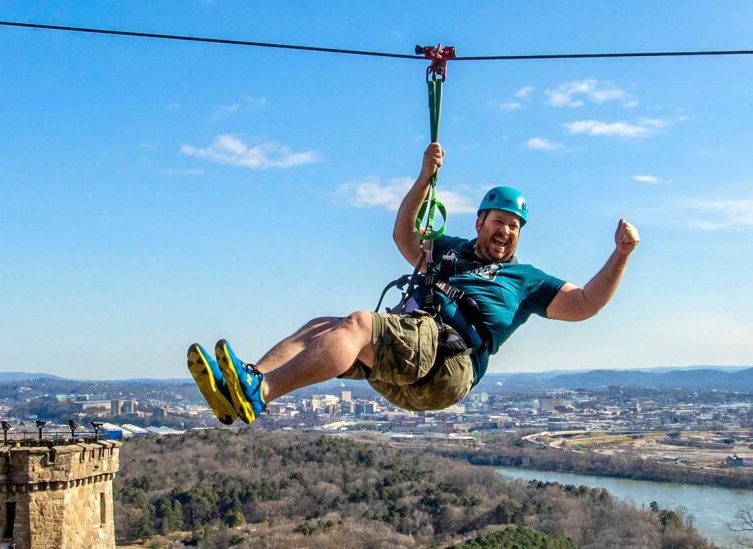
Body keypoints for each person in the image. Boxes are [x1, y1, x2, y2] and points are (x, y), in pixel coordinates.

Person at [187, 142, 639, 423]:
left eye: (515, 226)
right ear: (480, 221)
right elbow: (403, 234)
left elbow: (584, 304)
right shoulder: (448, 248)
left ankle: (260, 392)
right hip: (410, 372)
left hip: (448, 360)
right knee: (322, 327)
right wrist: (425, 178)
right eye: (499, 222)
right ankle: (246, 385)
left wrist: (619, 255)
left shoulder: (524, 280)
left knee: (361, 323)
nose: (506, 232)